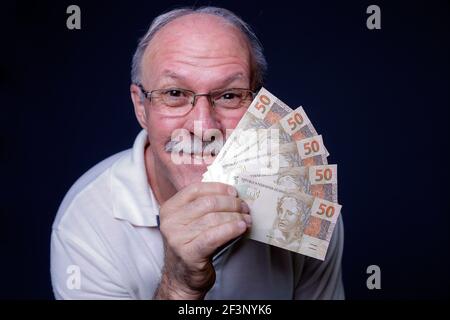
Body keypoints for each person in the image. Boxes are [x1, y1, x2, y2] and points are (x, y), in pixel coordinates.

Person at [50, 6, 345, 300]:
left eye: (229, 95)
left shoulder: (304, 206)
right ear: (141, 107)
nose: (204, 128)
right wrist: (178, 287)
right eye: (175, 94)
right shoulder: (86, 222)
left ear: (258, 107)